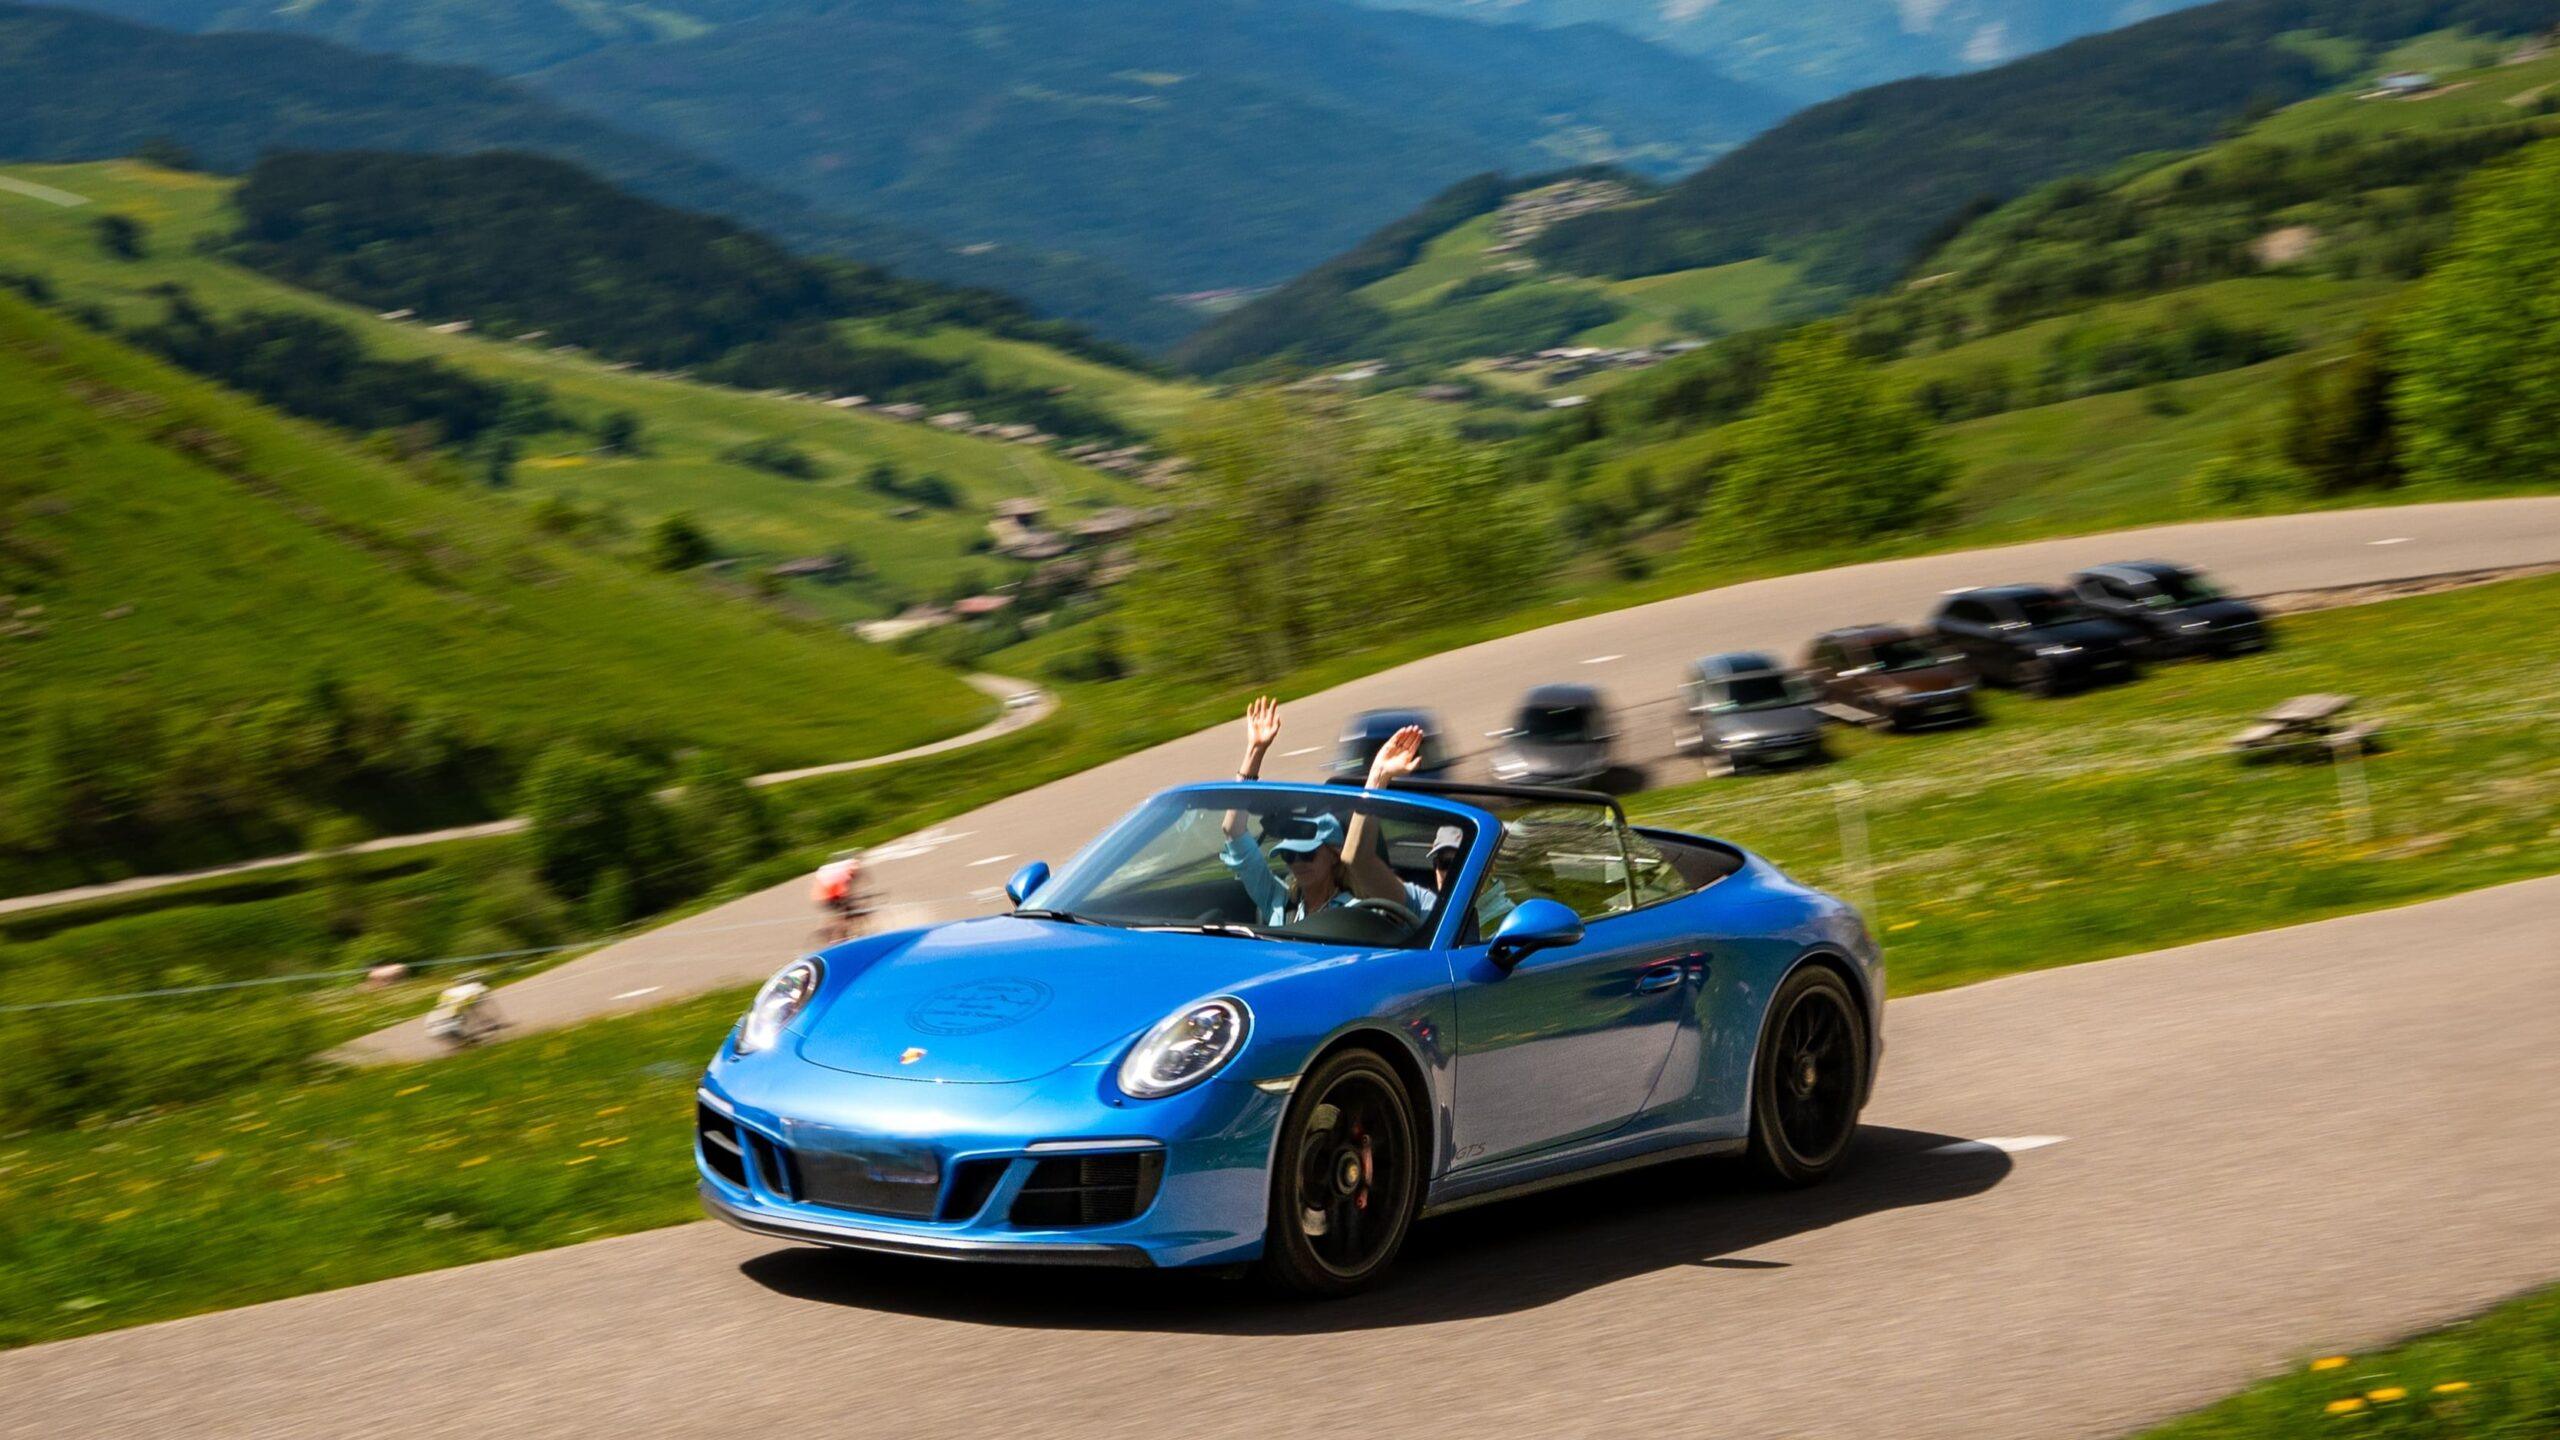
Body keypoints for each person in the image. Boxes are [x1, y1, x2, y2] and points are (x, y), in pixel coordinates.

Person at [810, 852, 869, 942]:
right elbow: (846, 891)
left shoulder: (843, 867)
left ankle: (829, 929)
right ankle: (838, 938)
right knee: (843, 914)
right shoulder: (847, 873)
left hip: (823, 891)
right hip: (827, 893)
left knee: (842, 909)